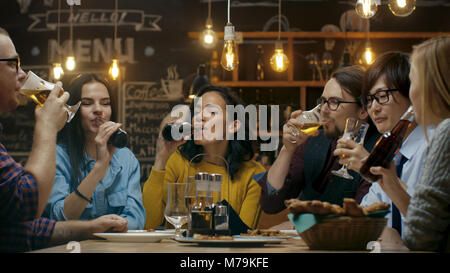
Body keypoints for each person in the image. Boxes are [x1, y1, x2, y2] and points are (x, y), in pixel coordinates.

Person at [0, 27, 128, 252]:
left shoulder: (125, 156)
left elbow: (14, 228)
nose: (22, 74)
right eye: (12, 63)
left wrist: (88, 228)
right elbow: (28, 204)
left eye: (105, 103)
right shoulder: (59, 152)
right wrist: (48, 127)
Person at [256, 66, 381, 220]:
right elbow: (270, 203)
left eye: (334, 102)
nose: (324, 110)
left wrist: (300, 225)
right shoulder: (312, 141)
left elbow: (360, 220)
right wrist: (287, 150)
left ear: (363, 110)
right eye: (323, 102)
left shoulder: (377, 151)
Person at [334, 52, 432, 237]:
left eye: (382, 95)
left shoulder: (436, 147)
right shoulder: (390, 153)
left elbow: (433, 229)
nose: (374, 108)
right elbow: (365, 217)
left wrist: (381, 177)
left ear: (412, 93)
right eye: (369, 100)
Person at [142, 86, 265, 230]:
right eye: (197, 112)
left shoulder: (254, 174)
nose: (200, 117)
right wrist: (162, 156)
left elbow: (243, 235)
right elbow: (148, 223)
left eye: (212, 112)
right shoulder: (177, 161)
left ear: (233, 125)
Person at [43, 74, 145, 230]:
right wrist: (100, 168)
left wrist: (105, 228)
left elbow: (136, 220)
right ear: (73, 110)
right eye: (87, 103)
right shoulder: (57, 156)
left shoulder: (126, 158)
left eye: (105, 103)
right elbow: (58, 217)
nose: (98, 109)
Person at [393, 36, 448, 251]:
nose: (411, 92)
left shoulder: (446, 133)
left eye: (413, 81)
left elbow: (419, 235)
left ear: (432, 86)